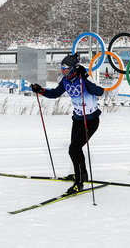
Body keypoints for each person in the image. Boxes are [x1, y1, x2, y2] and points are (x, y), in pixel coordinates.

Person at [30, 53, 104, 194]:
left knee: (73, 149)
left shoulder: (83, 79)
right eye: (61, 67)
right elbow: (55, 93)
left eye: (65, 68)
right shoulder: (66, 81)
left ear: (72, 68)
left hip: (91, 121)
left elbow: (100, 91)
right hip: (77, 120)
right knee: (76, 149)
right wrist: (41, 90)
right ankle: (82, 175)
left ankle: (79, 183)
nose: (62, 70)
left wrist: (86, 76)